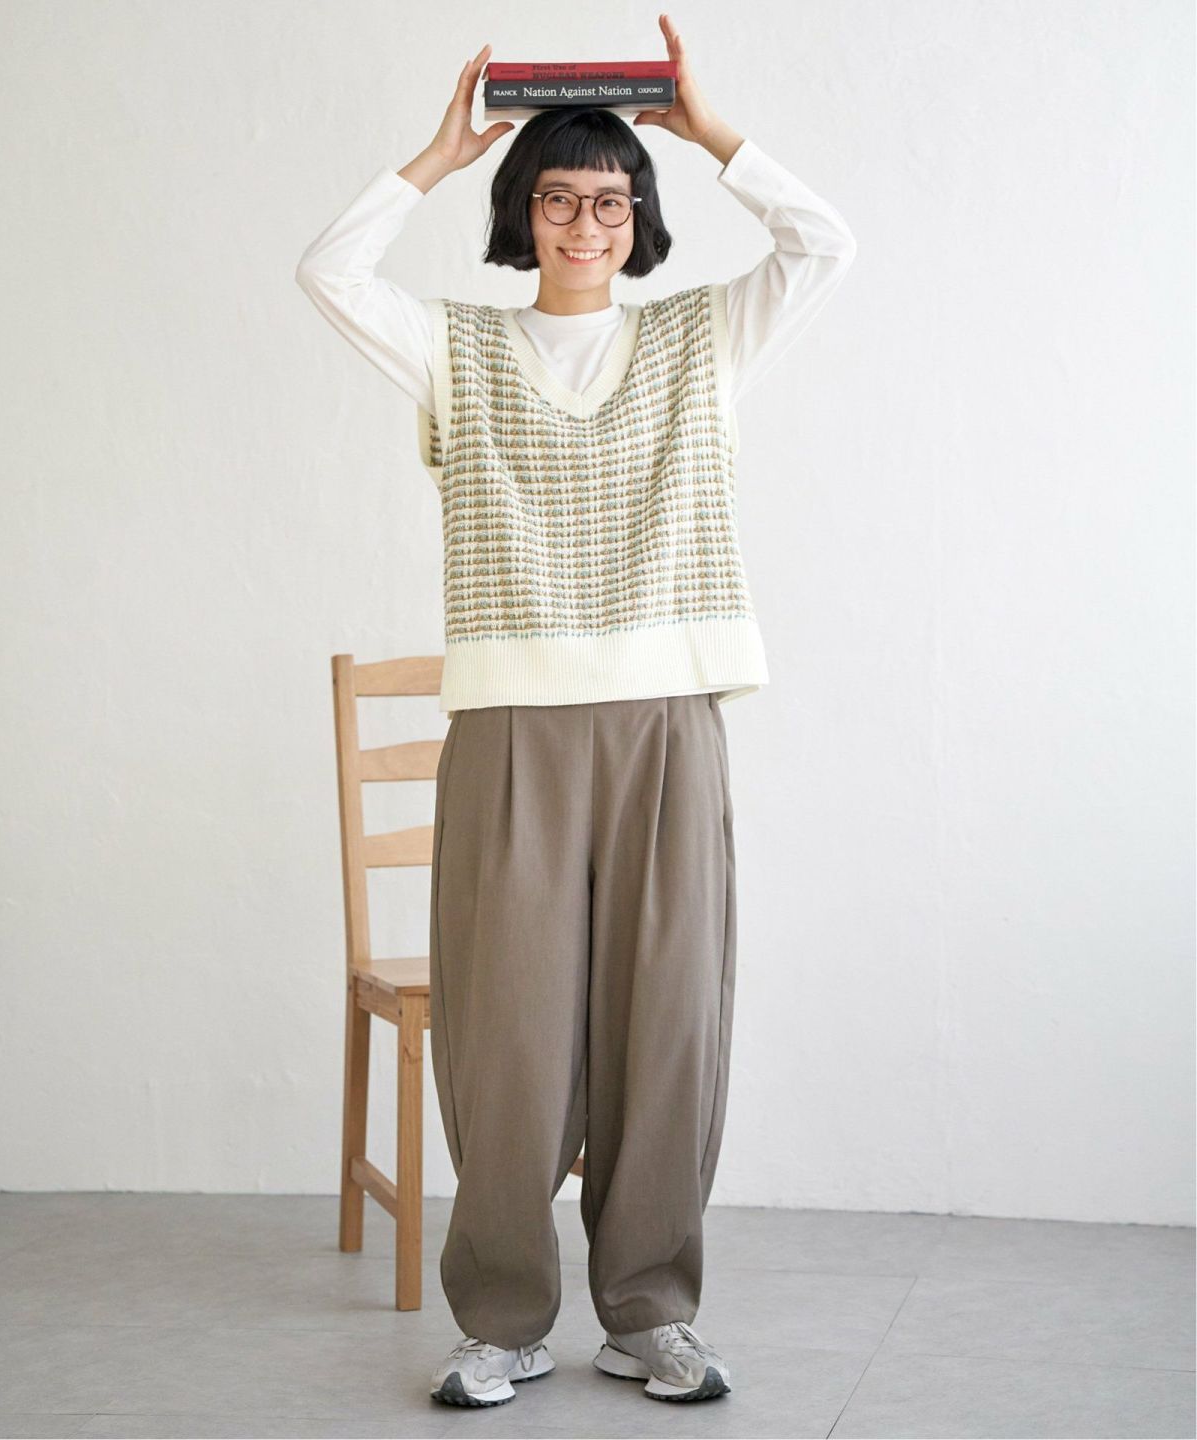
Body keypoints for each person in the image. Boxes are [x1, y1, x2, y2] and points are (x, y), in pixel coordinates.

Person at [295, 13, 856, 1409]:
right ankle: (501, 1320)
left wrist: (709, 133)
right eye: (557, 199)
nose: (585, 225)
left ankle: (650, 1311)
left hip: (667, 721)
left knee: (669, 1023)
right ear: (521, 213)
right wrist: (434, 155)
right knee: (508, 1032)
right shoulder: (455, 351)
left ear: (640, 216)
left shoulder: (702, 338)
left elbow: (824, 245)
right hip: (513, 732)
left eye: (610, 201)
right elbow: (328, 270)